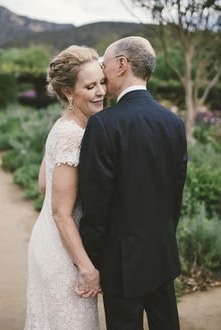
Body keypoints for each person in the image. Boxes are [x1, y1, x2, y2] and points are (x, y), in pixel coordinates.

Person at [79, 36, 188, 330]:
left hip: (121, 263)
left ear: (122, 65)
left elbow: (95, 203)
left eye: (104, 65)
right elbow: (175, 195)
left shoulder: (103, 124)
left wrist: (92, 259)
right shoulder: (173, 122)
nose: (102, 72)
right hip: (162, 255)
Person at [24, 45, 105, 329]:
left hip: (47, 240)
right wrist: (86, 268)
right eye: (91, 86)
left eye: (102, 82)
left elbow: (43, 185)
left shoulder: (62, 125)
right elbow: (61, 212)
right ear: (69, 93)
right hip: (63, 252)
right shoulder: (73, 135)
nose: (101, 91)